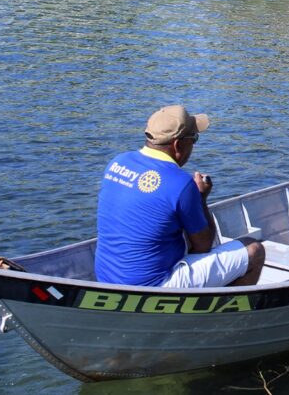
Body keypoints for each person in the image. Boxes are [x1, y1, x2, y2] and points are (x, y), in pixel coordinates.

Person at [95, 105, 265, 287]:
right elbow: (203, 246)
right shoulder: (181, 184)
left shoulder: (118, 162)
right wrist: (200, 198)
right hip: (153, 286)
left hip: (106, 278)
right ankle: (225, 312)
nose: (193, 145)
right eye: (194, 139)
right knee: (254, 249)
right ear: (178, 144)